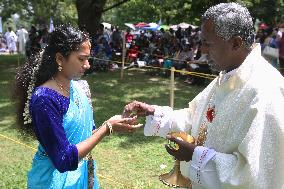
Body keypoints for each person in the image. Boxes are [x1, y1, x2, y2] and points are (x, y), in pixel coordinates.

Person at [123, 3, 284, 189]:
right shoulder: (229, 75)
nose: (203, 51)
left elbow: (257, 175)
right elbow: (195, 118)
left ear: (236, 43)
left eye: (208, 44)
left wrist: (195, 156)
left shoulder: (266, 90)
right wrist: (152, 111)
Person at [14, 25, 139, 188]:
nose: (87, 65)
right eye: (81, 59)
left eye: (88, 58)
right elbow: (64, 159)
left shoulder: (80, 87)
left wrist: (114, 125)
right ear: (59, 59)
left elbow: (85, 137)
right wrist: (106, 128)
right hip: (53, 181)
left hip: (83, 175)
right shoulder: (44, 99)